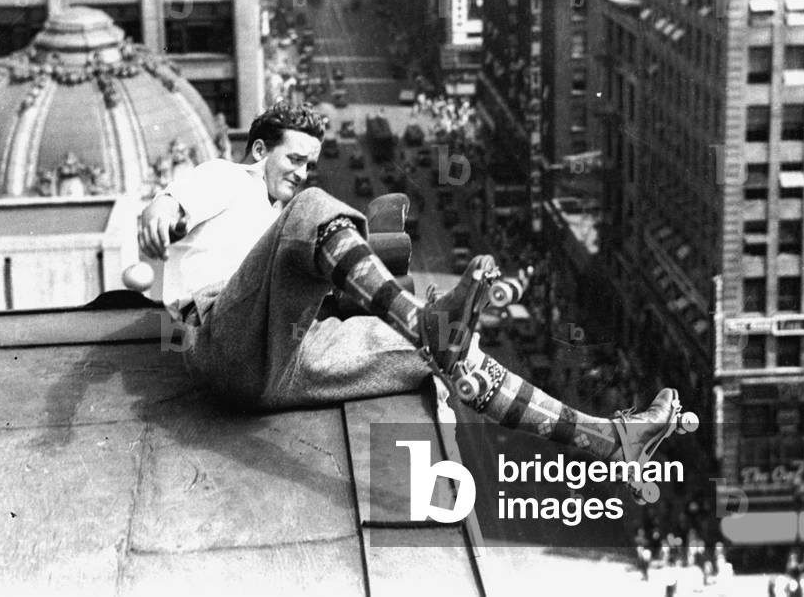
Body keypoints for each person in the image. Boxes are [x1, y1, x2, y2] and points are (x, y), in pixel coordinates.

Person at [138, 101, 687, 469]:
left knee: (449, 350)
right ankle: (422, 321)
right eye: (295, 159)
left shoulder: (274, 223)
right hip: (223, 338)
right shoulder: (231, 178)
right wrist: (162, 209)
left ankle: (609, 439)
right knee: (313, 209)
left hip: (279, 365)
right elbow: (177, 200)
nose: (302, 171)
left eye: (310, 163)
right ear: (260, 151)